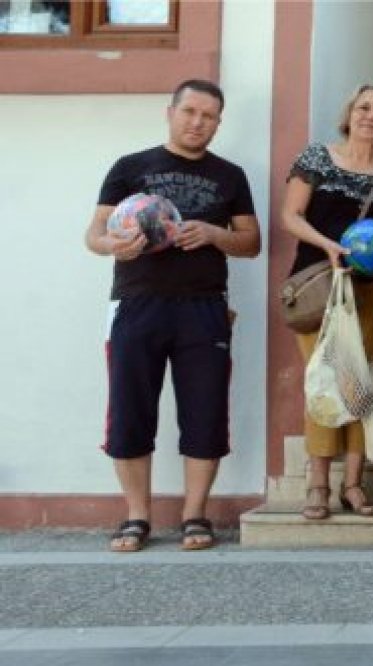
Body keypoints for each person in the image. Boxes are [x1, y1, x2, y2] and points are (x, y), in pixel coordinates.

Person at [84, 79, 261, 552]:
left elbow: (251, 243)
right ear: (171, 112)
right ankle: (136, 517)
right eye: (190, 112)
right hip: (136, 304)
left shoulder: (230, 176)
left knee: (205, 412)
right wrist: (114, 244)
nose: (198, 123)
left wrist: (213, 234)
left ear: (218, 123)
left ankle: (194, 515)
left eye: (209, 116)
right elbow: (94, 234)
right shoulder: (130, 167)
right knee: (129, 411)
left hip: (204, 307)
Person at [281, 84, 373, 521]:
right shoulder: (317, 159)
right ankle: (318, 485)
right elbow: (290, 215)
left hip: (371, 289)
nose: (370, 116)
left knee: (364, 386)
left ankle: (354, 484)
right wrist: (327, 246)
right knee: (327, 381)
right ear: (349, 114)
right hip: (320, 287)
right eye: (363, 108)